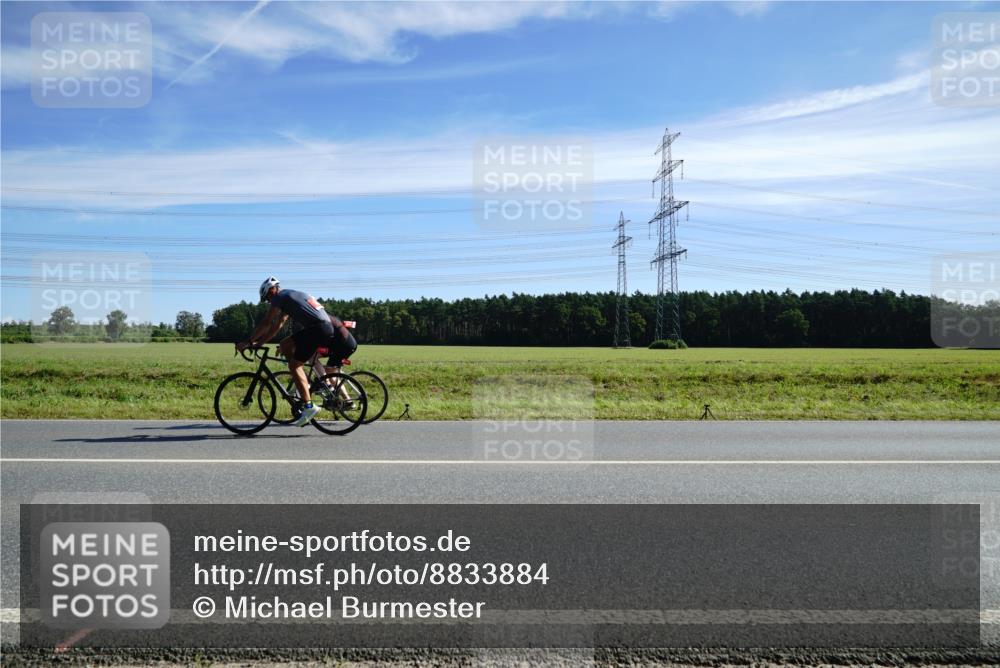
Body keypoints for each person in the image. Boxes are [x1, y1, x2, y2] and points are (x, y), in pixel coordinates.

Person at [237, 277, 357, 427]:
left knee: (294, 365)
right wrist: (259, 343)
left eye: (268, 297)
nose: (269, 301)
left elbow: (267, 322)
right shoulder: (291, 297)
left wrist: (248, 341)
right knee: (285, 345)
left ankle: (309, 406)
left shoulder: (280, 297)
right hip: (323, 328)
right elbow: (276, 326)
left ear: (272, 289)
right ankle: (306, 382)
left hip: (319, 328)